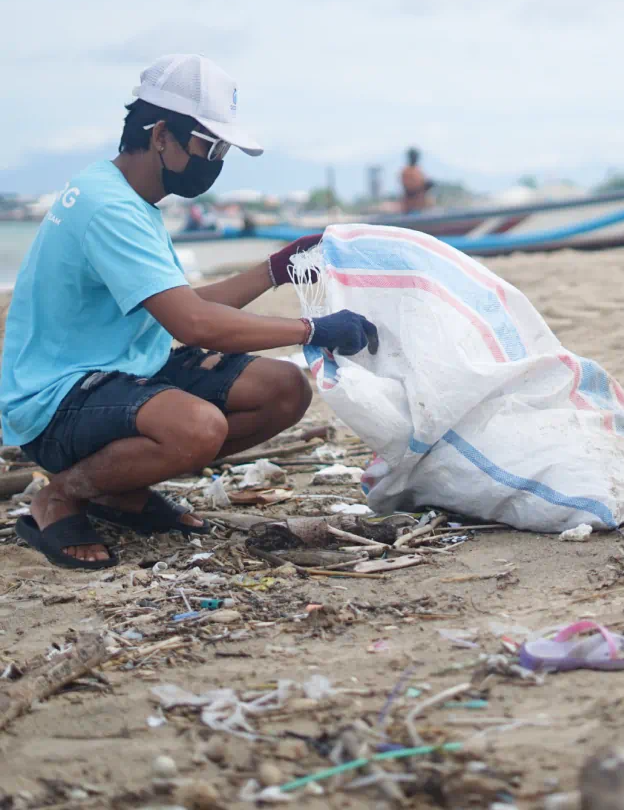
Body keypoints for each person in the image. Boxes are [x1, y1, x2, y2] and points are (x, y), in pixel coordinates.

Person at [0, 54, 379, 569]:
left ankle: (120, 492)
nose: (216, 160)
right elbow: (195, 326)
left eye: (222, 148)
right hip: (57, 399)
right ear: (160, 135)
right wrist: (312, 329)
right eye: (209, 145)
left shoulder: (126, 194)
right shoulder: (108, 207)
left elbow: (184, 304)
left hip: (125, 370)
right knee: (196, 428)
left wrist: (276, 269)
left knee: (283, 391)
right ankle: (60, 496)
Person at [400, 147, 433, 213]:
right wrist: (423, 186)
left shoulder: (418, 170)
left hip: (421, 207)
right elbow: (409, 190)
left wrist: (427, 186)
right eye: (413, 156)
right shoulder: (406, 171)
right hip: (411, 208)